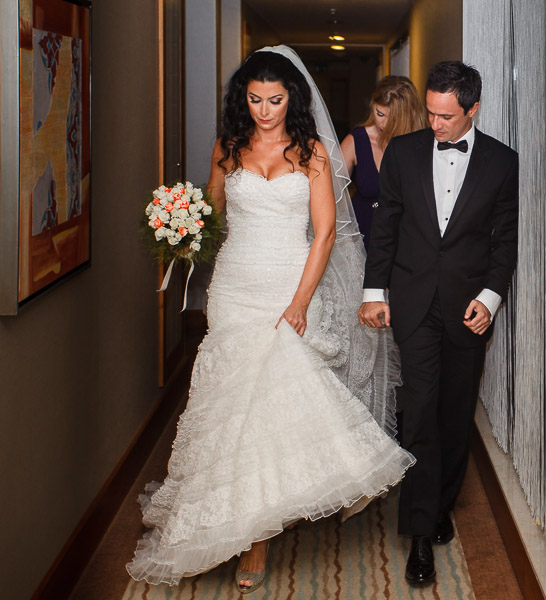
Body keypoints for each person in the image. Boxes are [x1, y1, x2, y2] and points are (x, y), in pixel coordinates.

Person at [127, 46, 414, 592]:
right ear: (244, 100)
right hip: (235, 287)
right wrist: (182, 225)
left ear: (292, 100)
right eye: (255, 100)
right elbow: (212, 217)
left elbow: (326, 233)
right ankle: (221, 512)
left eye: (276, 100)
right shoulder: (227, 149)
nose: (265, 111)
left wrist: (301, 301)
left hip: (288, 283)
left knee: (271, 404)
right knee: (229, 401)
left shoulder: (311, 154)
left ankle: (255, 539)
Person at [357, 61, 518, 585]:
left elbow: (504, 242)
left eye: (446, 116)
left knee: (454, 413)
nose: (435, 124)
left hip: (467, 308)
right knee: (420, 408)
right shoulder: (403, 153)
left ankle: (442, 499)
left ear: (472, 109)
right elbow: (386, 226)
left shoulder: (501, 162)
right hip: (414, 300)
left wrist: (490, 299)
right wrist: (375, 291)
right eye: (430, 112)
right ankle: (420, 531)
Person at [340, 76, 427, 249]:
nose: (383, 123)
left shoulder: (421, 143)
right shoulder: (356, 140)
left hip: (407, 238)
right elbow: (331, 193)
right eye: (379, 114)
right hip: (364, 234)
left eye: (392, 118)